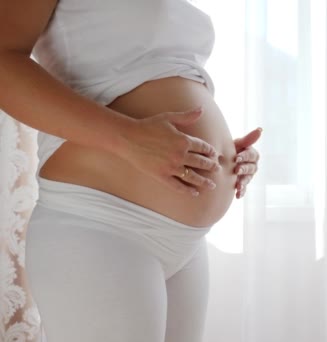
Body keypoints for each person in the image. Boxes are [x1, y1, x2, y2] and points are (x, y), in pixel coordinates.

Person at [0, 0, 261, 341]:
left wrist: (223, 155)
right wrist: (128, 139)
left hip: (186, 243)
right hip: (98, 224)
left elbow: (150, 76)